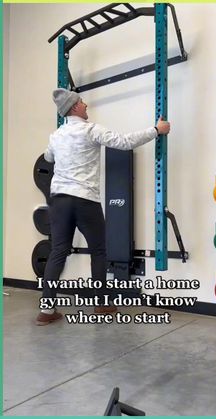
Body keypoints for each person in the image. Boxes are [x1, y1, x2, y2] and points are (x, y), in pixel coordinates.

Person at [36, 88, 170, 325]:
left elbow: (48, 158)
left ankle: (46, 311)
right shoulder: (91, 130)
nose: (86, 105)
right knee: (99, 251)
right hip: (85, 200)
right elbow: (125, 141)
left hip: (59, 200)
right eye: (82, 102)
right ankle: (101, 304)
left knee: (58, 251)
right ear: (75, 107)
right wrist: (156, 131)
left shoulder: (56, 135)